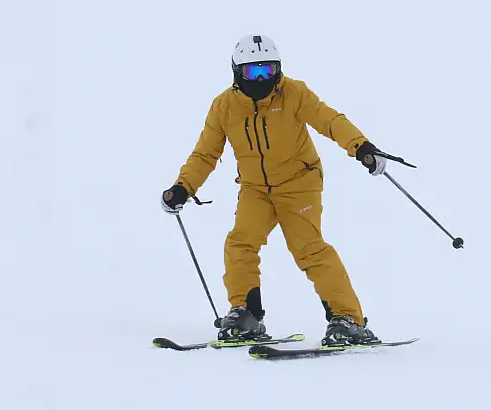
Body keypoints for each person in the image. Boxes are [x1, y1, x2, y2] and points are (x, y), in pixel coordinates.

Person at [161, 34, 390, 346]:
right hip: (255, 188)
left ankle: (348, 318)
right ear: (237, 73)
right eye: (253, 72)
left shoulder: (294, 93)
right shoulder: (224, 107)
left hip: (299, 184)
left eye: (268, 70)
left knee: (308, 249)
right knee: (240, 243)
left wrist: (361, 146)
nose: (262, 79)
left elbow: (329, 121)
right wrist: (182, 187)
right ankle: (245, 315)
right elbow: (205, 154)